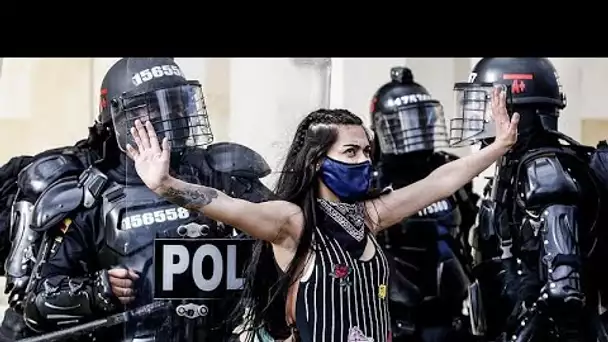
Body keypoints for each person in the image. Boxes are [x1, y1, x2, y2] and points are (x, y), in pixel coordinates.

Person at [126, 85, 518, 342]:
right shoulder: (290, 221)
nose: (364, 161)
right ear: (316, 161)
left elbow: (440, 181)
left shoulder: (368, 215)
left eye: (366, 151)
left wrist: (497, 147)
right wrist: (165, 186)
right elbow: (225, 204)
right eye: (350, 152)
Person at [22, 57, 274, 342]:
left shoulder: (220, 173)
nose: (170, 116)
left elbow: (291, 234)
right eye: (152, 107)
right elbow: (36, 306)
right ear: (118, 119)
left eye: (177, 103)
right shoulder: (88, 197)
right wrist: (98, 290)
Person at [451, 58, 608, 342]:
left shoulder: (545, 172)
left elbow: (563, 289)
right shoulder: (514, 167)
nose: (481, 116)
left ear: (516, 111)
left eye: (489, 104)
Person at [369, 66, 479, 342]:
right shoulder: (371, 179)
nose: (415, 129)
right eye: (405, 122)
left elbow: (468, 226)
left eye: (421, 119)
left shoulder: (448, 167)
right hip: (395, 315)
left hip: (453, 310)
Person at [0, 138, 100, 341]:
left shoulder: (173, 175)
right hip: (43, 330)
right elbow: (25, 295)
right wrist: (98, 291)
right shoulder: (61, 174)